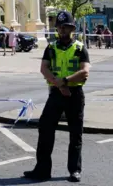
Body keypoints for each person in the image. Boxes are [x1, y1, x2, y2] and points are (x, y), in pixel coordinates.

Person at [23, 11, 90, 183]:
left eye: (65, 27)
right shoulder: (51, 47)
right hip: (56, 94)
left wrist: (65, 82)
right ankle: (42, 170)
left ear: (71, 28)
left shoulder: (80, 48)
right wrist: (58, 84)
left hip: (74, 95)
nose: (62, 30)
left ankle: (74, 170)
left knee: (75, 133)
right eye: (60, 27)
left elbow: (84, 72)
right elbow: (44, 69)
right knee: (45, 130)